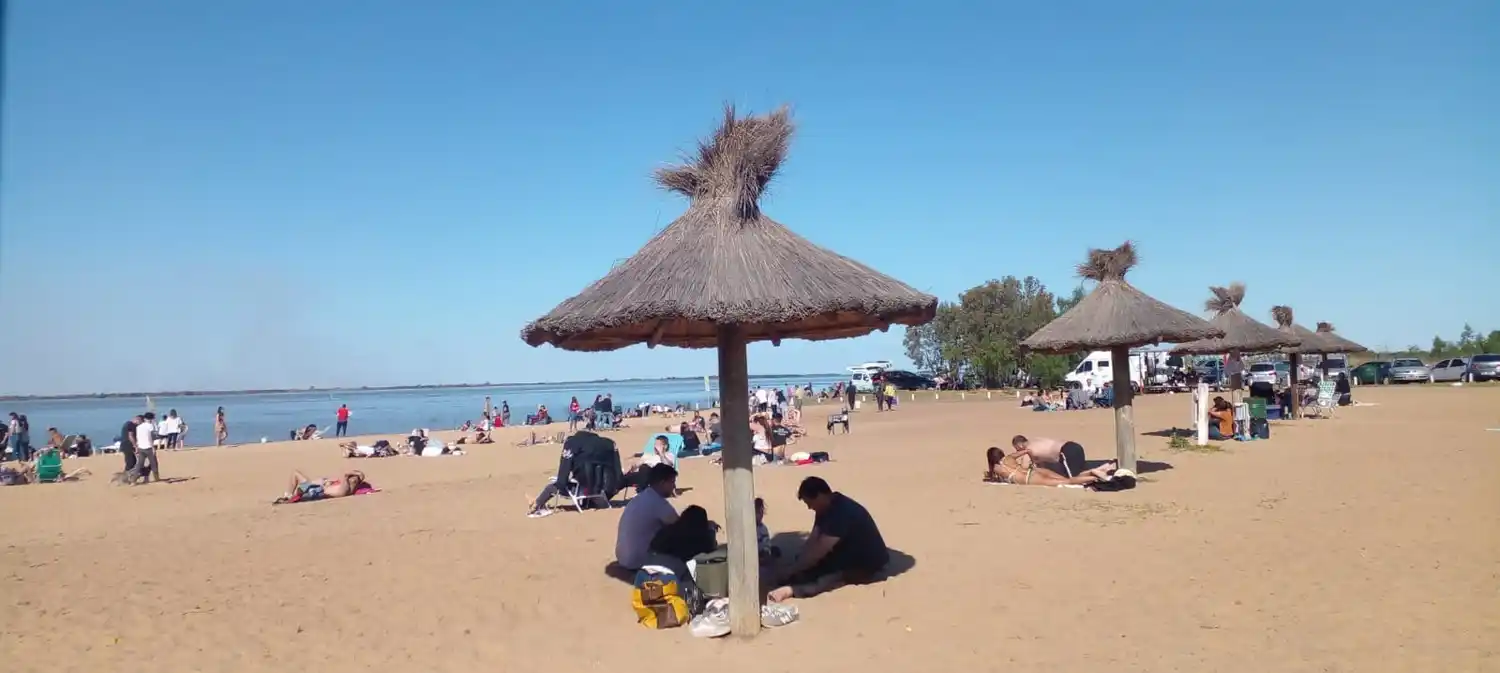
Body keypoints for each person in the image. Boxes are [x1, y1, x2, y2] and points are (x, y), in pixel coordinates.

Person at [768, 477, 890, 602]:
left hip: (865, 563)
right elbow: (813, 539)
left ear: (820, 495)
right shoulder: (828, 504)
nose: (809, 507)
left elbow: (819, 551)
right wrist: (797, 564)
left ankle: (790, 591)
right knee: (804, 563)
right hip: (846, 551)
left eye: (809, 503)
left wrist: (792, 570)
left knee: (826, 579)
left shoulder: (841, 513)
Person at [613, 464, 680, 570]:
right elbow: (681, 525)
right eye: (672, 482)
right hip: (637, 560)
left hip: (622, 556)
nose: (674, 486)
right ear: (662, 483)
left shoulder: (641, 498)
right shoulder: (658, 503)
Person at [985, 446, 1116, 487]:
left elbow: (993, 477)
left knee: (1067, 482)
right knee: (1068, 479)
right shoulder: (1009, 457)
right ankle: (1092, 473)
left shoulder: (996, 469)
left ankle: (1093, 477)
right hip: (1035, 471)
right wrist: (1034, 462)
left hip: (1030, 480)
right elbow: (1028, 450)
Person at [648, 504, 719, 564]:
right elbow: (712, 551)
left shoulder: (667, 531)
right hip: (679, 574)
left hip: (652, 570)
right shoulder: (699, 540)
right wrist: (711, 530)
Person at [1008, 435, 1088, 478]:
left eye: (1017, 449)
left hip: (1066, 452)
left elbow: (1024, 468)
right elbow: (1043, 463)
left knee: (1073, 479)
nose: (1017, 452)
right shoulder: (1036, 440)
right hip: (1074, 446)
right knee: (1080, 471)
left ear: (1020, 445)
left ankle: (1096, 473)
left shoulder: (1028, 450)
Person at [283, 470, 366, 503]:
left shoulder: (345, 488)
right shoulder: (348, 489)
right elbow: (361, 476)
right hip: (315, 491)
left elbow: (347, 475)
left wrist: (324, 483)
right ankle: (290, 495)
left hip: (313, 491)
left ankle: (289, 495)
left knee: (296, 474)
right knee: (303, 480)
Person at [134, 412, 160, 483]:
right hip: (149, 447)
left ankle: (134, 480)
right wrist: (153, 447)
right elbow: (152, 437)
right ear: (151, 419)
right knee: (154, 463)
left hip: (141, 447)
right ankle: (156, 478)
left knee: (139, 464)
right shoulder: (150, 426)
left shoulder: (138, 427)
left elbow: (138, 437)